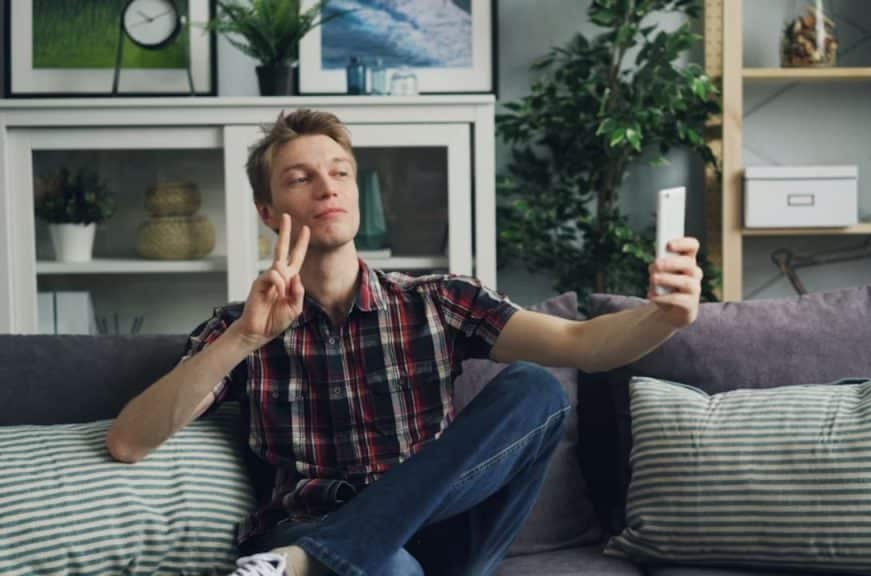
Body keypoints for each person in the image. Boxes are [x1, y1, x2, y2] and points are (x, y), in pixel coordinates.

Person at [105, 109, 703, 576]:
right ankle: (335, 552)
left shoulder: (437, 300)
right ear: (268, 211)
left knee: (536, 388)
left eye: (340, 172)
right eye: (300, 178)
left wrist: (665, 318)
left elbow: (583, 343)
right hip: (310, 524)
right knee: (383, 565)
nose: (327, 187)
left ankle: (322, 558)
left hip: (441, 535)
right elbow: (130, 442)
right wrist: (244, 337)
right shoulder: (238, 326)